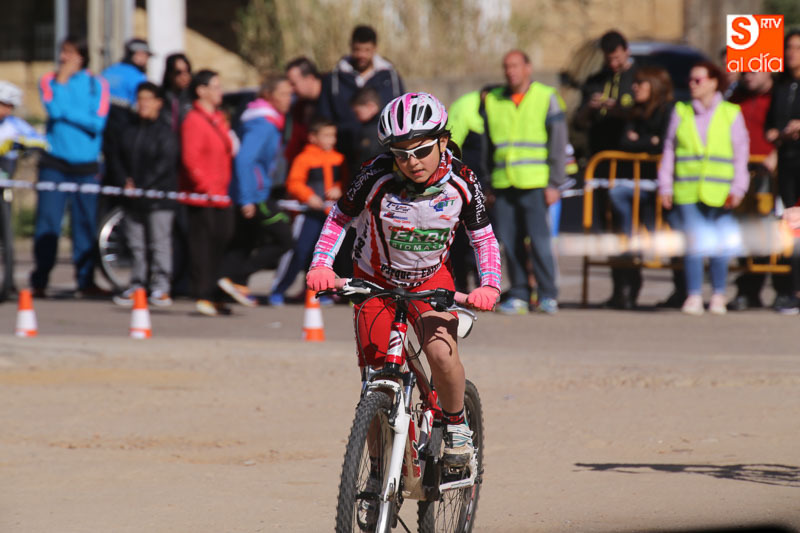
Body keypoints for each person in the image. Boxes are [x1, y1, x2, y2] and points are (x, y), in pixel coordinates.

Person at [306, 92, 500, 467]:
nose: (412, 162)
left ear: (443, 141)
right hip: (374, 280)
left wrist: (489, 284)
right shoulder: (374, 175)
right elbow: (339, 219)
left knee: (441, 353)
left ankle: (456, 425)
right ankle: (378, 472)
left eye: (422, 151)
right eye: (401, 154)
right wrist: (322, 265)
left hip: (430, 279)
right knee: (376, 379)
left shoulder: (463, 180)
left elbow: (483, 238)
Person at [658, 61, 750, 316]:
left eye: (698, 80)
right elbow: (669, 150)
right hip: (687, 190)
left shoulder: (730, 112)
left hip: (721, 191)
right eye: (690, 80)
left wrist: (739, 188)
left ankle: (719, 293)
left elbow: (741, 154)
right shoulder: (681, 111)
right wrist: (665, 186)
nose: (692, 84)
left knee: (719, 244)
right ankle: (694, 294)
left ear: (713, 82)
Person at [486, 50, 567, 315]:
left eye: (515, 66)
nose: (510, 71)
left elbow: (558, 143)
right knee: (510, 242)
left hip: (536, 183)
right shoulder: (493, 100)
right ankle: (519, 293)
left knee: (540, 242)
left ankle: (547, 295)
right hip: (503, 183)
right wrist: (487, 184)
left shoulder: (546, 97)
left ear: (528, 68)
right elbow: (487, 146)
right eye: (506, 66)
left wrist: (555, 182)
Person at [31, 35, 110, 297]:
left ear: (82, 56)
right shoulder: (49, 80)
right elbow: (53, 110)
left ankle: (85, 281)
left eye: (69, 52)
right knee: (48, 223)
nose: (64, 58)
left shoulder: (97, 84)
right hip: (54, 164)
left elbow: (98, 123)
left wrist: (67, 112)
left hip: (86, 167)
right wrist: (62, 83)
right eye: (62, 52)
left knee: (85, 225)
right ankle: (40, 279)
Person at [217, 74, 294, 307]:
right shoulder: (263, 124)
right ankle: (236, 278)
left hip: (254, 191)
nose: (288, 99)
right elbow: (244, 160)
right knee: (284, 238)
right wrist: (247, 198)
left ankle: (218, 292)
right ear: (268, 96)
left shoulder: (265, 120)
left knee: (244, 242)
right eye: (283, 94)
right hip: (256, 195)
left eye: (290, 94)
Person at [606, 66, 674, 309]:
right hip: (634, 184)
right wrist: (649, 141)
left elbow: (664, 143)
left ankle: (683, 290)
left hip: (662, 186)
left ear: (654, 86)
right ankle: (625, 289)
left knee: (673, 235)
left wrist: (644, 141)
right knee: (619, 216)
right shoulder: (635, 112)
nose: (634, 88)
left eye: (640, 83)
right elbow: (625, 142)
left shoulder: (669, 110)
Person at [109, 82, 178, 307]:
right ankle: (138, 284)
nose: (143, 104)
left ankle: (161, 287)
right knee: (136, 245)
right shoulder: (129, 130)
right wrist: (124, 181)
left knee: (159, 244)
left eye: (148, 99)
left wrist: (142, 185)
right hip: (133, 199)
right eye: (140, 99)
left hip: (159, 199)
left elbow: (165, 163)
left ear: (158, 103)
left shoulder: (165, 131)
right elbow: (116, 157)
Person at [728, 71, 786, 311]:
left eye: (753, 69)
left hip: (773, 175)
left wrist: (776, 153)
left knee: (775, 231)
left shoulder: (781, 95)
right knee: (747, 233)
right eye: (743, 71)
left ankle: (784, 290)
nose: (747, 75)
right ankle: (748, 290)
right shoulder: (735, 97)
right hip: (742, 174)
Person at [271, 117, 345, 306]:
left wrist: (339, 188)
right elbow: (294, 183)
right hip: (307, 214)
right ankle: (279, 289)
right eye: (326, 135)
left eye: (333, 135)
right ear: (313, 137)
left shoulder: (339, 158)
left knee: (323, 256)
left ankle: (317, 291)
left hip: (330, 216)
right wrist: (308, 196)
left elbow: (345, 180)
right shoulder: (304, 158)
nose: (331, 139)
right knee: (299, 252)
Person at [180, 70, 235, 316]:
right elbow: (190, 159)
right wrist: (205, 188)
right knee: (202, 247)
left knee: (222, 242)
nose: (219, 92)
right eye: (215, 87)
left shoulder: (218, 118)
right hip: (203, 197)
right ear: (201, 91)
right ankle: (203, 295)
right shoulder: (193, 120)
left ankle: (216, 293)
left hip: (221, 194)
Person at [317, 25, 404, 156]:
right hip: (344, 154)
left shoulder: (391, 78)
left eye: (367, 50)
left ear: (375, 48)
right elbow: (324, 117)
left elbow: (401, 113)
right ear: (351, 47)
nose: (362, 55)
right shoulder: (333, 79)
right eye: (357, 49)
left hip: (383, 152)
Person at [765, 29, 800, 313]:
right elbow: (770, 124)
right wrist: (775, 134)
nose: (791, 54)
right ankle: (792, 290)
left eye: (797, 48)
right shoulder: (781, 86)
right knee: (791, 227)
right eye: (788, 48)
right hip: (788, 165)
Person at [574, 30, 637, 156]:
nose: (613, 64)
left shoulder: (638, 79)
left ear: (627, 51)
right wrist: (590, 107)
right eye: (608, 59)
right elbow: (579, 123)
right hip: (599, 151)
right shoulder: (595, 81)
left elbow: (647, 118)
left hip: (629, 154)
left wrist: (619, 110)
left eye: (617, 58)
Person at [101, 38, 151, 188]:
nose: (147, 60)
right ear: (138, 54)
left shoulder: (107, 71)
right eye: (146, 55)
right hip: (123, 132)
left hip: (102, 131)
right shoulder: (138, 77)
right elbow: (140, 109)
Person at [0, 81, 47, 175]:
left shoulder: (14, 123)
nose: (7, 111)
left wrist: (21, 142)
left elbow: (42, 141)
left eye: (11, 107)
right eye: (4, 105)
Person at [284, 57, 322, 164]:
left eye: (293, 84)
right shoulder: (299, 107)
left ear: (309, 78)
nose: (291, 89)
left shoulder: (334, 95)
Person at [161, 53, 193, 133]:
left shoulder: (194, 97)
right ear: (169, 74)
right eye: (178, 72)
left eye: (187, 71)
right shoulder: (160, 98)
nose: (184, 76)